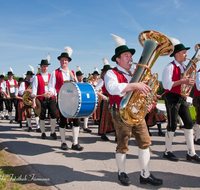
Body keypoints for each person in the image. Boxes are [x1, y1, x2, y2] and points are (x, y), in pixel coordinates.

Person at [104, 34, 163, 186]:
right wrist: (135, 85)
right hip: (121, 113)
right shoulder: (112, 73)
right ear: (118, 59)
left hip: (137, 113)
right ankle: (121, 172)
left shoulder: (135, 73)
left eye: (130, 55)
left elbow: (143, 92)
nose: (130, 58)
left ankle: (145, 174)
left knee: (145, 143)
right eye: (126, 56)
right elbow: (113, 88)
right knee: (123, 145)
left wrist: (149, 101)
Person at [162, 39, 200, 162]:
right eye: (184, 53)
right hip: (171, 97)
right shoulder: (169, 67)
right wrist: (183, 81)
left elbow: (187, 80)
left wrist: (192, 71)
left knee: (189, 123)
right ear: (177, 54)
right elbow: (167, 85)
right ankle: (167, 151)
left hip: (181, 97)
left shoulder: (184, 66)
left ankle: (191, 152)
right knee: (172, 125)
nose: (186, 55)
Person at [47, 46, 83, 151]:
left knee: (76, 121)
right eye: (62, 60)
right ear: (59, 61)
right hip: (62, 100)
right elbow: (51, 86)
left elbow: (76, 85)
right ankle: (63, 142)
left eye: (66, 60)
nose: (64, 62)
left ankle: (75, 143)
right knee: (62, 121)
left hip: (73, 100)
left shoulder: (72, 73)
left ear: (68, 61)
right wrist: (50, 92)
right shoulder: (55, 72)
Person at [32, 56, 58, 140]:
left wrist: (54, 94)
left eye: (46, 66)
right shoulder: (37, 77)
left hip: (51, 98)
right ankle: (43, 132)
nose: (45, 67)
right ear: (40, 67)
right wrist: (33, 102)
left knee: (54, 115)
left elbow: (54, 87)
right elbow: (34, 89)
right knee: (42, 116)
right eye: (43, 66)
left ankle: (53, 132)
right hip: (41, 99)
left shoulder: (51, 76)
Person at [96, 58, 115, 141]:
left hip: (112, 98)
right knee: (104, 117)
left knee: (114, 116)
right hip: (105, 99)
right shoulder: (102, 80)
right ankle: (103, 133)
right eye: (107, 71)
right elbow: (95, 90)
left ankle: (116, 135)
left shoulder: (112, 79)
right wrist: (102, 96)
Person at [18, 67, 40, 132]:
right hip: (27, 99)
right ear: (26, 76)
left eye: (30, 76)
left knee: (37, 113)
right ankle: (29, 126)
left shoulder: (34, 82)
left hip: (34, 99)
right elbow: (20, 92)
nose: (29, 77)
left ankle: (38, 126)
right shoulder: (23, 83)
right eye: (28, 76)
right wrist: (28, 90)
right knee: (28, 113)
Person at [76, 66, 91, 133]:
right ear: (76, 76)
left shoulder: (84, 83)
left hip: (83, 100)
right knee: (78, 115)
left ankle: (85, 126)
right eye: (79, 76)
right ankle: (78, 127)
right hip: (77, 100)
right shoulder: (75, 83)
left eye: (81, 76)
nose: (81, 77)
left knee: (86, 114)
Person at [192, 68, 200, 145]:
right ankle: (197, 137)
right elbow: (198, 87)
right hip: (198, 98)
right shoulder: (199, 73)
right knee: (199, 118)